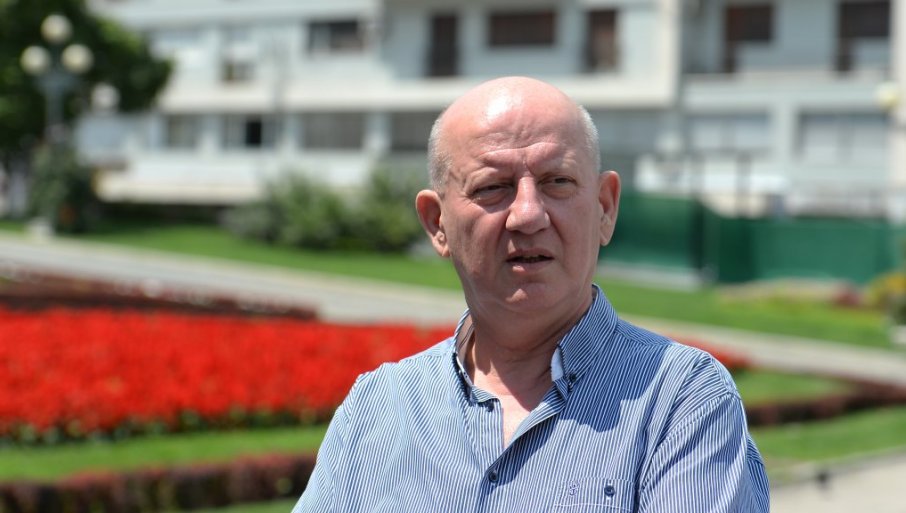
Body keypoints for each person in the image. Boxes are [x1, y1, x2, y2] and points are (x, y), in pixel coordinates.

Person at [293, 76, 769, 512]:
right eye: (493, 187)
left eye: (557, 182)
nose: (527, 214)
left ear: (605, 208)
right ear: (437, 223)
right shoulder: (378, 408)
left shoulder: (681, 402)